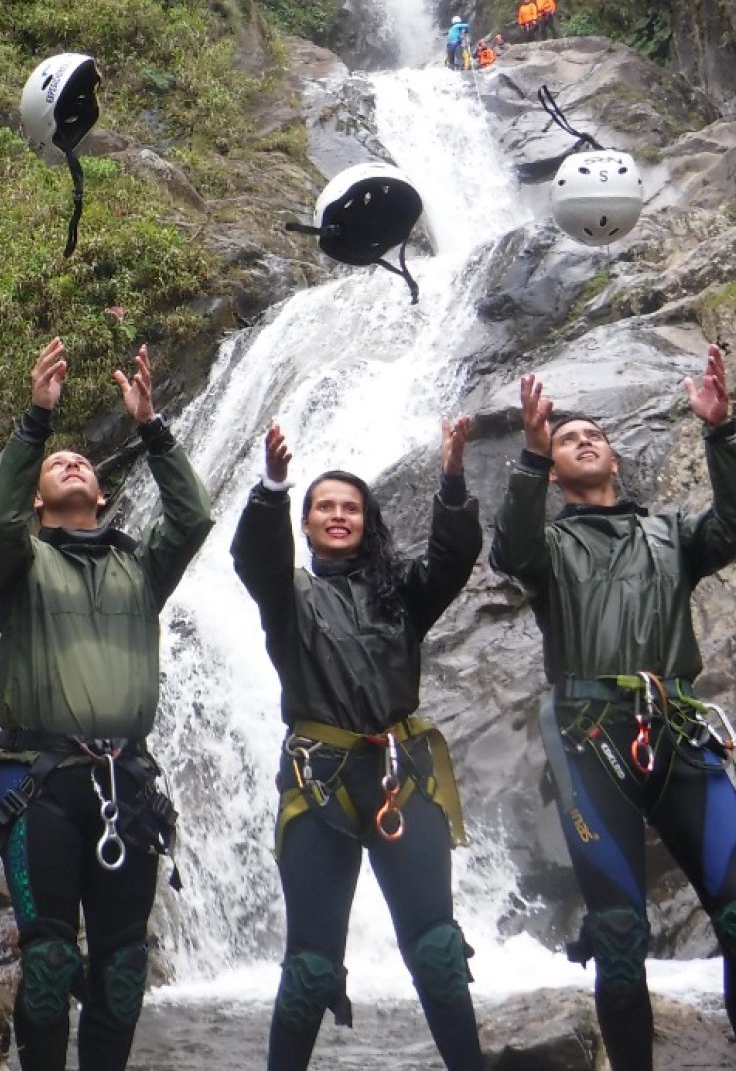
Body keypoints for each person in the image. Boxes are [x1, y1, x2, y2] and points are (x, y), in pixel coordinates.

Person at [490, 345, 736, 1071]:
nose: (582, 437)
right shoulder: (550, 547)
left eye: (593, 433)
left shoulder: (672, 534)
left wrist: (723, 434)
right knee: (619, 935)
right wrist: (528, 456)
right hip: (591, 736)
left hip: (678, 726)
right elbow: (508, 550)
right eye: (566, 438)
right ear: (555, 472)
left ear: (615, 458)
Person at [0, 338, 213, 1071]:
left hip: (128, 785)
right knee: (45, 967)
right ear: (39, 499)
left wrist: (153, 427)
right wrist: (36, 422)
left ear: (102, 493)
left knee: (124, 969)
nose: (72, 462)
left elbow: (193, 515)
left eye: (81, 461)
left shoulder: (140, 567)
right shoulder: (20, 564)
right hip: (41, 785)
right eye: (55, 466)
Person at [230, 418, 487, 1071]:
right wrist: (273, 486)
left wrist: (452, 479)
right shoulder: (288, 597)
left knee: (436, 950)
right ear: (308, 524)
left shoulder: (399, 590)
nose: (338, 515)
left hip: (403, 775)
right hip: (319, 782)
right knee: (312, 967)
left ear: (366, 522)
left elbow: (454, 560)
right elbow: (253, 557)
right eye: (325, 507)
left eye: (351, 507)